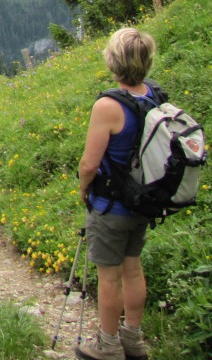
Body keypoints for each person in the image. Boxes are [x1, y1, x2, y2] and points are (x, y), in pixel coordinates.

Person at [76, 27, 158, 360]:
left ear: (113, 61)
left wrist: (84, 188)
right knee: (133, 269)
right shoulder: (153, 96)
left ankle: (108, 345)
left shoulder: (108, 105)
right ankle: (133, 340)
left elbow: (89, 164)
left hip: (110, 205)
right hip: (142, 201)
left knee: (109, 277)